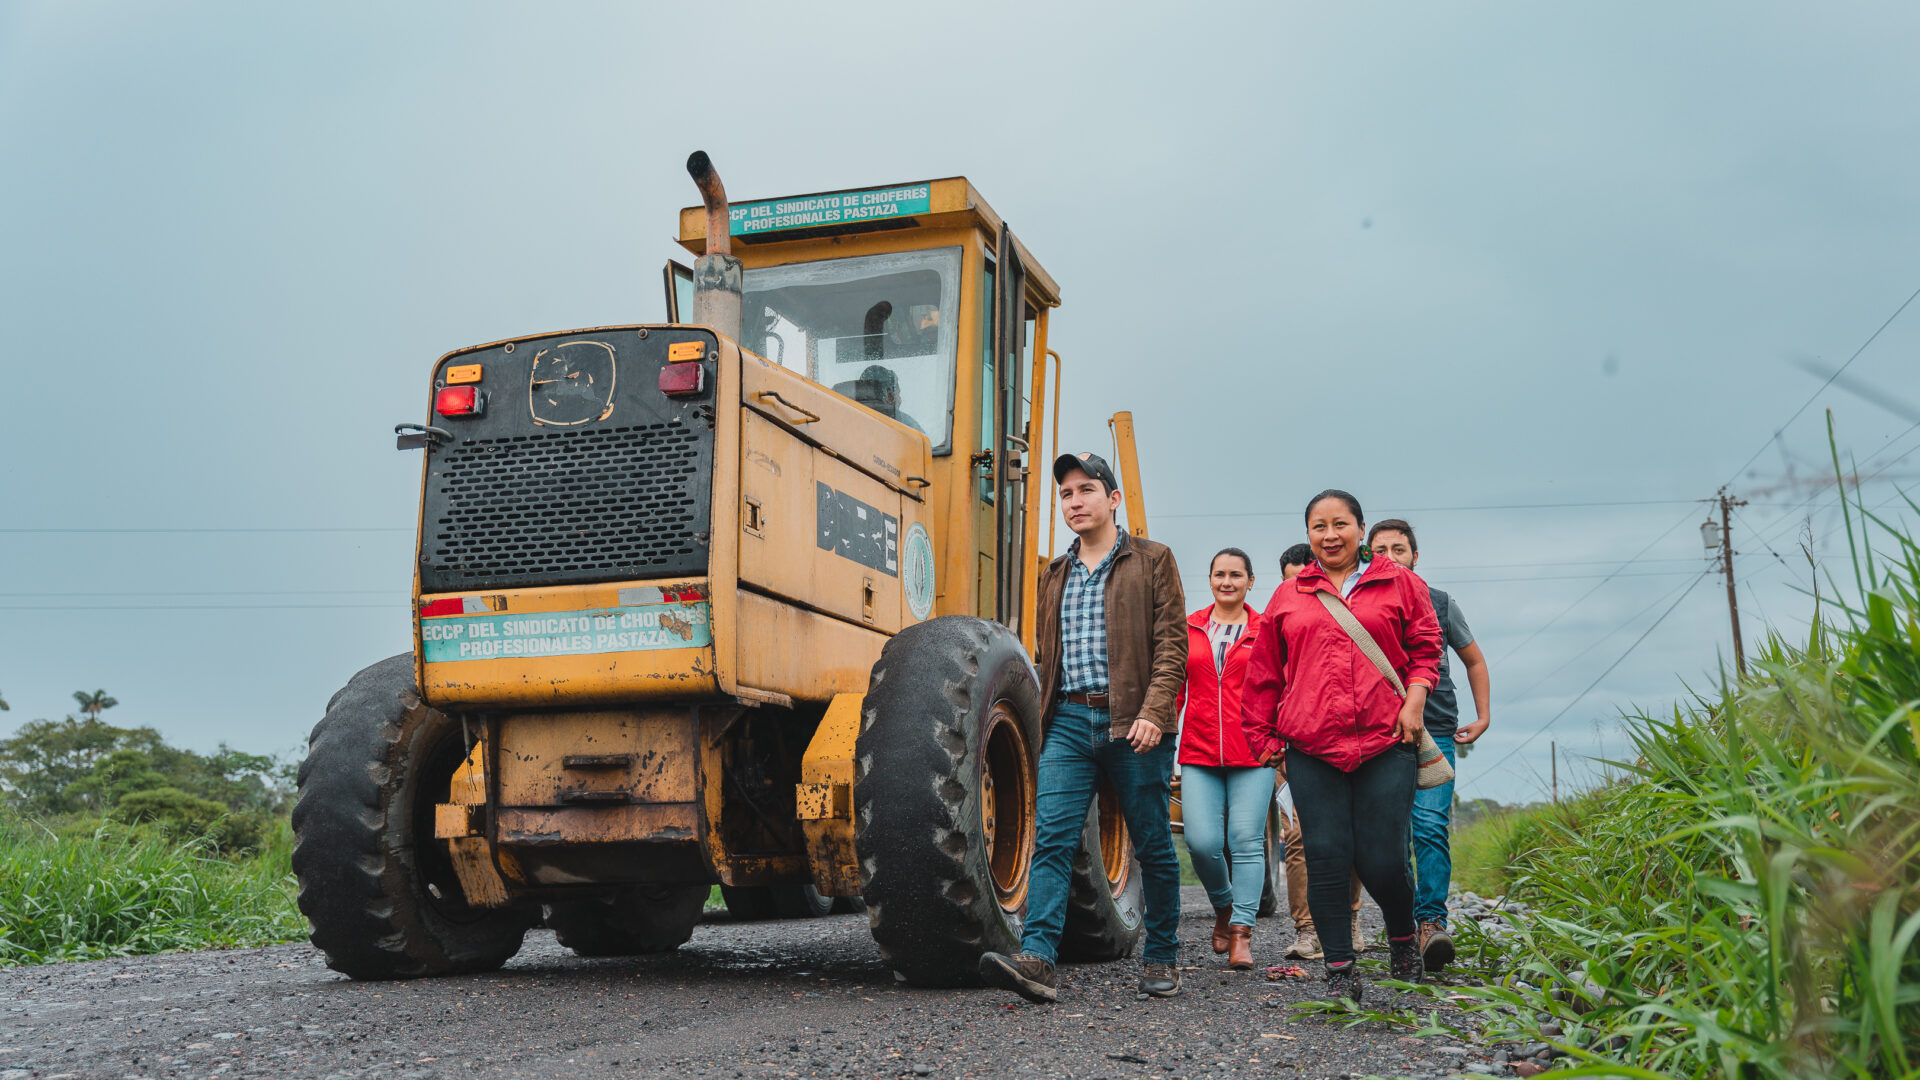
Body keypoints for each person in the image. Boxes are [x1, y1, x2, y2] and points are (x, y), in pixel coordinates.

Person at [978, 452, 1187, 1003]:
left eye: (1086, 490)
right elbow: (1049, 656)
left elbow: (1172, 646)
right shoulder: (1054, 573)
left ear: (1113, 499)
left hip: (1134, 721)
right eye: (1067, 494)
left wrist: (1154, 712)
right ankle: (1039, 959)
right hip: (1069, 721)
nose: (1075, 502)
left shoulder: (1153, 560)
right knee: (1051, 839)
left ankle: (1162, 954)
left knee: (1152, 843)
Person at [1241, 490, 1442, 1004]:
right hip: (1311, 745)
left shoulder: (1400, 582)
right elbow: (1264, 673)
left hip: (1386, 739)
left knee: (1382, 859)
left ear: (1359, 528)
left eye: (1340, 524)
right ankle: (1339, 969)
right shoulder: (1289, 595)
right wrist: (1261, 737)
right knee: (1326, 856)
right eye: (1319, 526)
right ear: (1309, 533)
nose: (1330, 535)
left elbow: (1425, 647)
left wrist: (1415, 701)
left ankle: (1402, 938)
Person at [1366, 519, 1491, 973]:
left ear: (1415, 556)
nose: (1390, 557)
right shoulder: (1358, 604)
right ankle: (1400, 926)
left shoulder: (1440, 603)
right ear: (1366, 556)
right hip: (1378, 732)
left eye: (1399, 549)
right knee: (1390, 836)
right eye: (1379, 550)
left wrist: (1483, 715)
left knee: (1431, 825)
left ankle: (1431, 922)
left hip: (1434, 728)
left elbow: (1473, 660)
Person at [1174, 548, 1270, 970]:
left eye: (1236, 575)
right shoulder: (1189, 627)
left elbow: (1279, 686)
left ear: (1250, 581)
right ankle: (1225, 906)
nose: (1226, 582)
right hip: (1199, 750)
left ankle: (1241, 933)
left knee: (1245, 840)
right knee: (1202, 843)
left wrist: (1280, 740)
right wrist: (1165, 739)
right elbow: (1175, 688)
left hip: (1253, 750)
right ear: (1210, 579)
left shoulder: (1266, 630)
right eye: (1219, 574)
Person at [1272, 544, 1365, 962]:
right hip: (1292, 743)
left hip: (1342, 741)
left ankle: (1349, 918)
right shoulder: (1280, 617)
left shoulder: (1340, 618)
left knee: (1349, 836)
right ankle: (1308, 930)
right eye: (1291, 580)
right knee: (1297, 839)